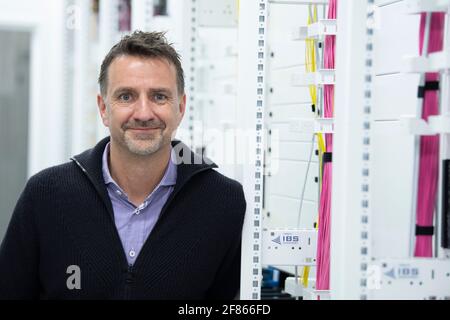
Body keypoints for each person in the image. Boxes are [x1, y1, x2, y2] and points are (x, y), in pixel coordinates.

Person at [0, 31, 246, 300]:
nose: (143, 113)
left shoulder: (222, 201)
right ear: (103, 108)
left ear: (181, 107)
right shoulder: (46, 194)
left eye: (159, 96)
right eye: (126, 96)